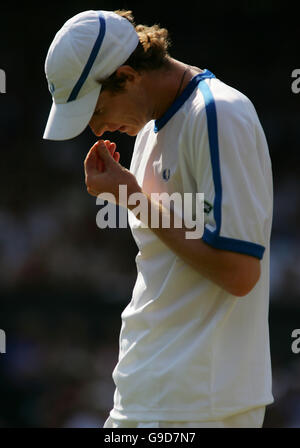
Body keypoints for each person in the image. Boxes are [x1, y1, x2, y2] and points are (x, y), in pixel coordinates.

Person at [43, 9, 274, 428]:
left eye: (95, 110)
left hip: (201, 402)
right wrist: (128, 196)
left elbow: (240, 273)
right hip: (143, 393)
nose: (97, 130)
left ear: (128, 76)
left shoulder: (220, 113)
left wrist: (130, 196)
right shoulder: (148, 129)